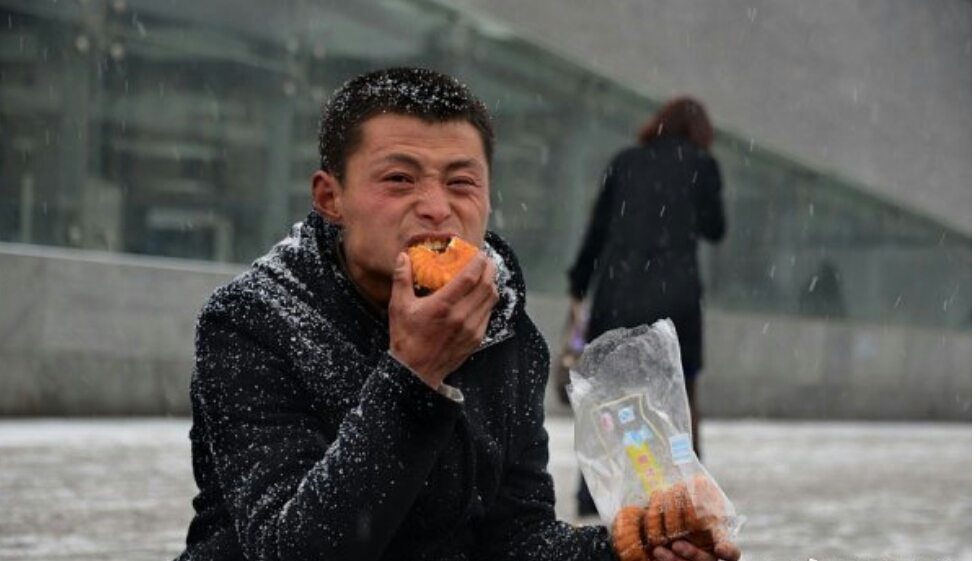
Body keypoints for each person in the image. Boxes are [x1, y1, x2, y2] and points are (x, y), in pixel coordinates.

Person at [174, 67, 740, 561]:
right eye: (399, 180)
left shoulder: (502, 324)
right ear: (330, 198)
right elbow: (293, 550)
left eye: (461, 182)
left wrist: (627, 546)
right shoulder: (254, 322)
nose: (437, 208)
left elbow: (514, 541)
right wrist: (413, 376)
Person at [567, 96, 727, 517]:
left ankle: (593, 492)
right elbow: (716, 228)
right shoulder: (701, 165)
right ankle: (685, 490)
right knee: (679, 393)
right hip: (676, 301)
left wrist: (579, 283)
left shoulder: (625, 162)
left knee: (610, 394)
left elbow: (598, 230)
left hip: (618, 294)